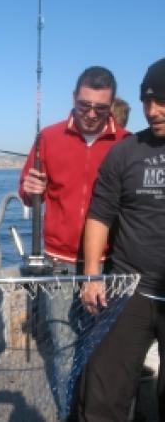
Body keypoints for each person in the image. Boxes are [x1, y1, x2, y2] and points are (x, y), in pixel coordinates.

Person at [18, 66, 129, 416]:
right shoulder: (48, 138)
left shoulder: (127, 144)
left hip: (110, 265)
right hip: (57, 263)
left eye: (101, 108)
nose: (92, 115)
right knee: (64, 347)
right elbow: (26, 188)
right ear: (73, 99)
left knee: (103, 351)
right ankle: (68, 412)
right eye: (84, 106)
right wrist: (29, 189)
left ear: (112, 105)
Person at [78, 58, 165, 421]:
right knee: (103, 396)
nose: (152, 110)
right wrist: (93, 275)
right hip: (131, 289)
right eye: (146, 101)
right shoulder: (125, 152)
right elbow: (100, 215)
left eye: (161, 100)